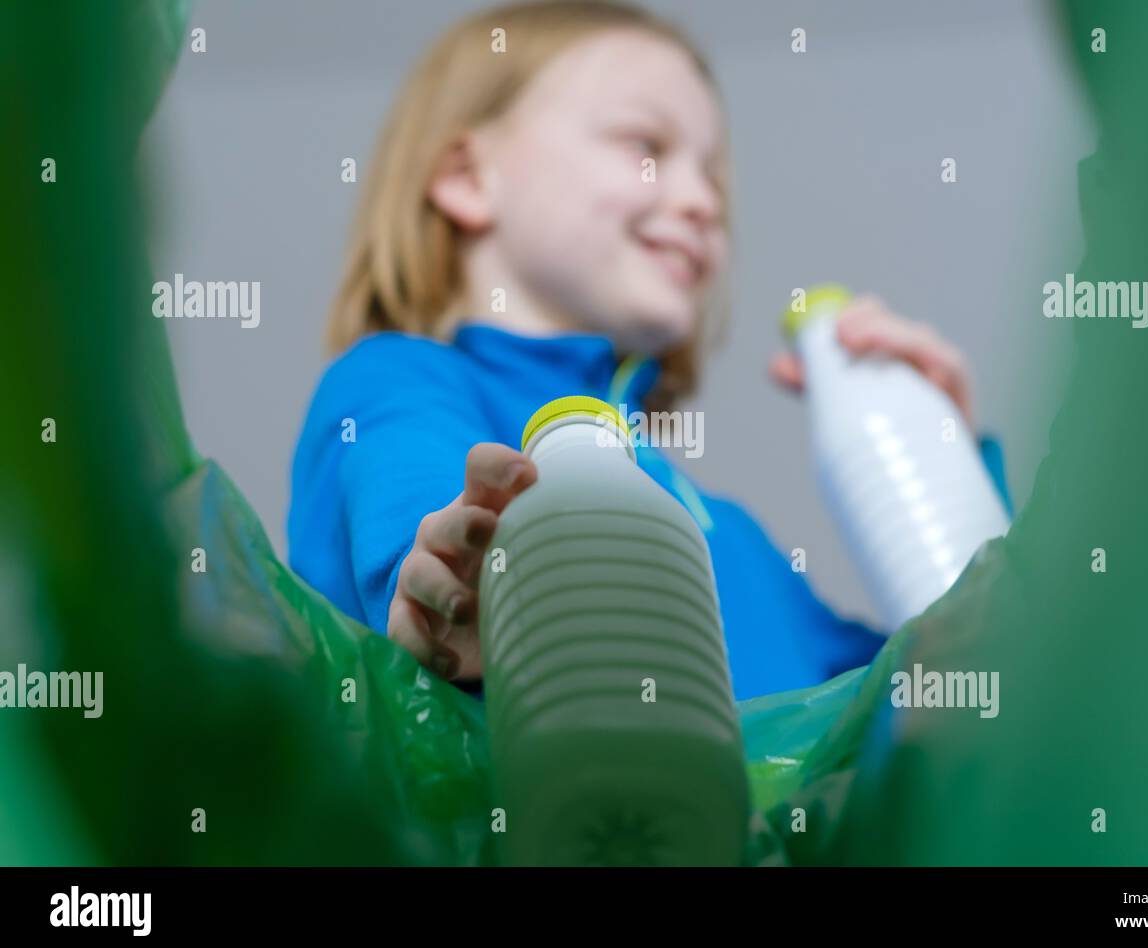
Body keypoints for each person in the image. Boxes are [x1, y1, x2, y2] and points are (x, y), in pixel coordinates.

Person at [288, 0, 1009, 700]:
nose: (702, 200)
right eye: (646, 148)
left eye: (713, 179)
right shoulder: (396, 382)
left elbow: (951, 695)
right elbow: (417, 503)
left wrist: (954, 466)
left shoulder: (742, 545)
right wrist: (458, 586)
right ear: (468, 179)